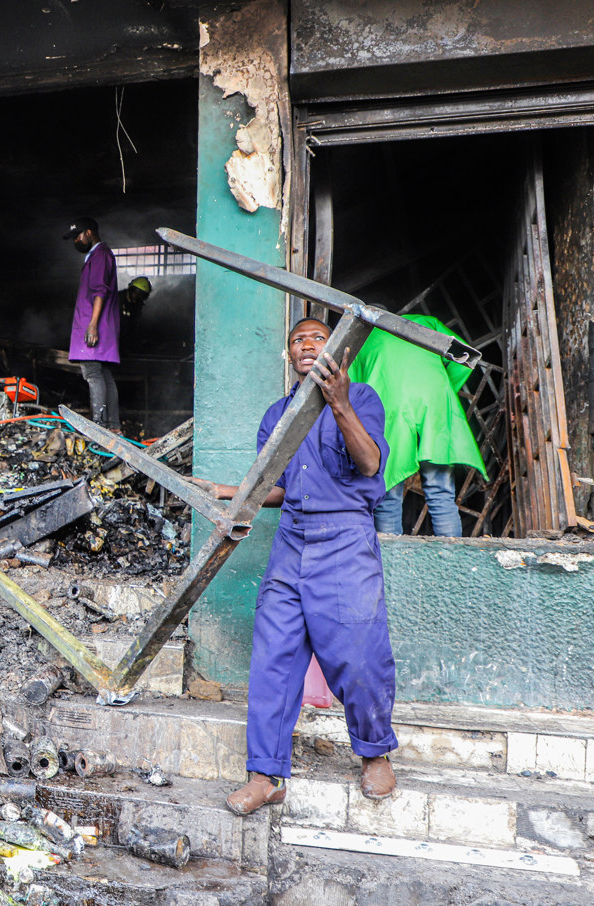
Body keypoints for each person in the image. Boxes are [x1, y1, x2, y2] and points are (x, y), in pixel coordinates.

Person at [192, 317, 398, 815]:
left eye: (317, 338)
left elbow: (369, 465)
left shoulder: (362, 398)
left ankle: (374, 754)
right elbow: (284, 486)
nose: (306, 345)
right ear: (289, 355)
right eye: (297, 340)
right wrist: (232, 493)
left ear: (337, 350)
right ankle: (266, 775)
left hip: (346, 538)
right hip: (292, 540)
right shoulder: (276, 416)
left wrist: (339, 403)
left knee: (359, 652)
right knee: (274, 659)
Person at [346, 313, 486, 536]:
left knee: (388, 495)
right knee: (441, 493)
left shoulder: (361, 335)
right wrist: (444, 387)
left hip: (388, 411)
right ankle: (451, 560)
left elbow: (351, 391)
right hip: (434, 405)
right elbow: (466, 356)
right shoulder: (425, 322)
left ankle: (393, 565)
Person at [63, 217, 121, 430]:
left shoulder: (99, 256)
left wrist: (92, 324)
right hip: (99, 325)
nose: (76, 241)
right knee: (103, 373)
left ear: (89, 233)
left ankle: (98, 427)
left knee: (92, 373)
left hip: (94, 325)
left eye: (78, 236)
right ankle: (113, 426)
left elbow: (100, 291)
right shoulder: (98, 256)